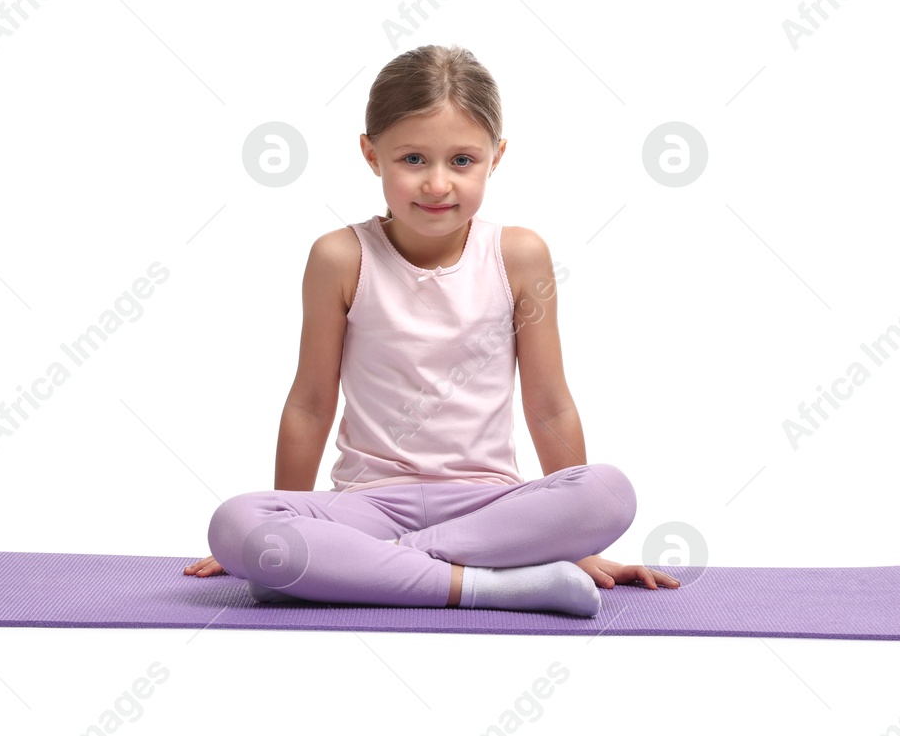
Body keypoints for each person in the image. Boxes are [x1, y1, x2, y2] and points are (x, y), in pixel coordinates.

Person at [184, 44, 678, 617]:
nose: (437, 184)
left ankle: (365, 568)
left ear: (497, 156)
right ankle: (496, 585)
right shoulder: (341, 256)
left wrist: (577, 543)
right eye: (413, 159)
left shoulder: (518, 255)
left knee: (609, 491)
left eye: (462, 161)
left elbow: (549, 404)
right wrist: (283, 521)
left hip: (490, 510)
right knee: (237, 522)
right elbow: (311, 404)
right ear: (371, 154)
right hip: (369, 503)